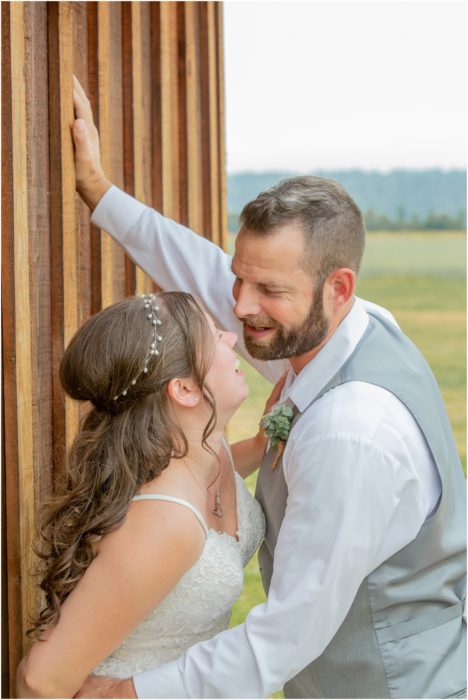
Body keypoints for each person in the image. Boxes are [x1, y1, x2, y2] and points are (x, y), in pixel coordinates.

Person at [71, 76, 466, 699]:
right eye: (239, 279)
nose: (240, 308)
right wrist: (100, 195)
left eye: (269, 292)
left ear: (338, 287)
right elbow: (200, 269)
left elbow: (289, 632)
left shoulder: (351, 432)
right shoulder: (343, 329)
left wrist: (133, 694)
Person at [16, 291, 285, 698]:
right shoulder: (163, 524)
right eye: (214, 335)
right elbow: (38, 682)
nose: (231, 339)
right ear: (184, 390)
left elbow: (223, 473)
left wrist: (269, 437)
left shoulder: (203, 448)